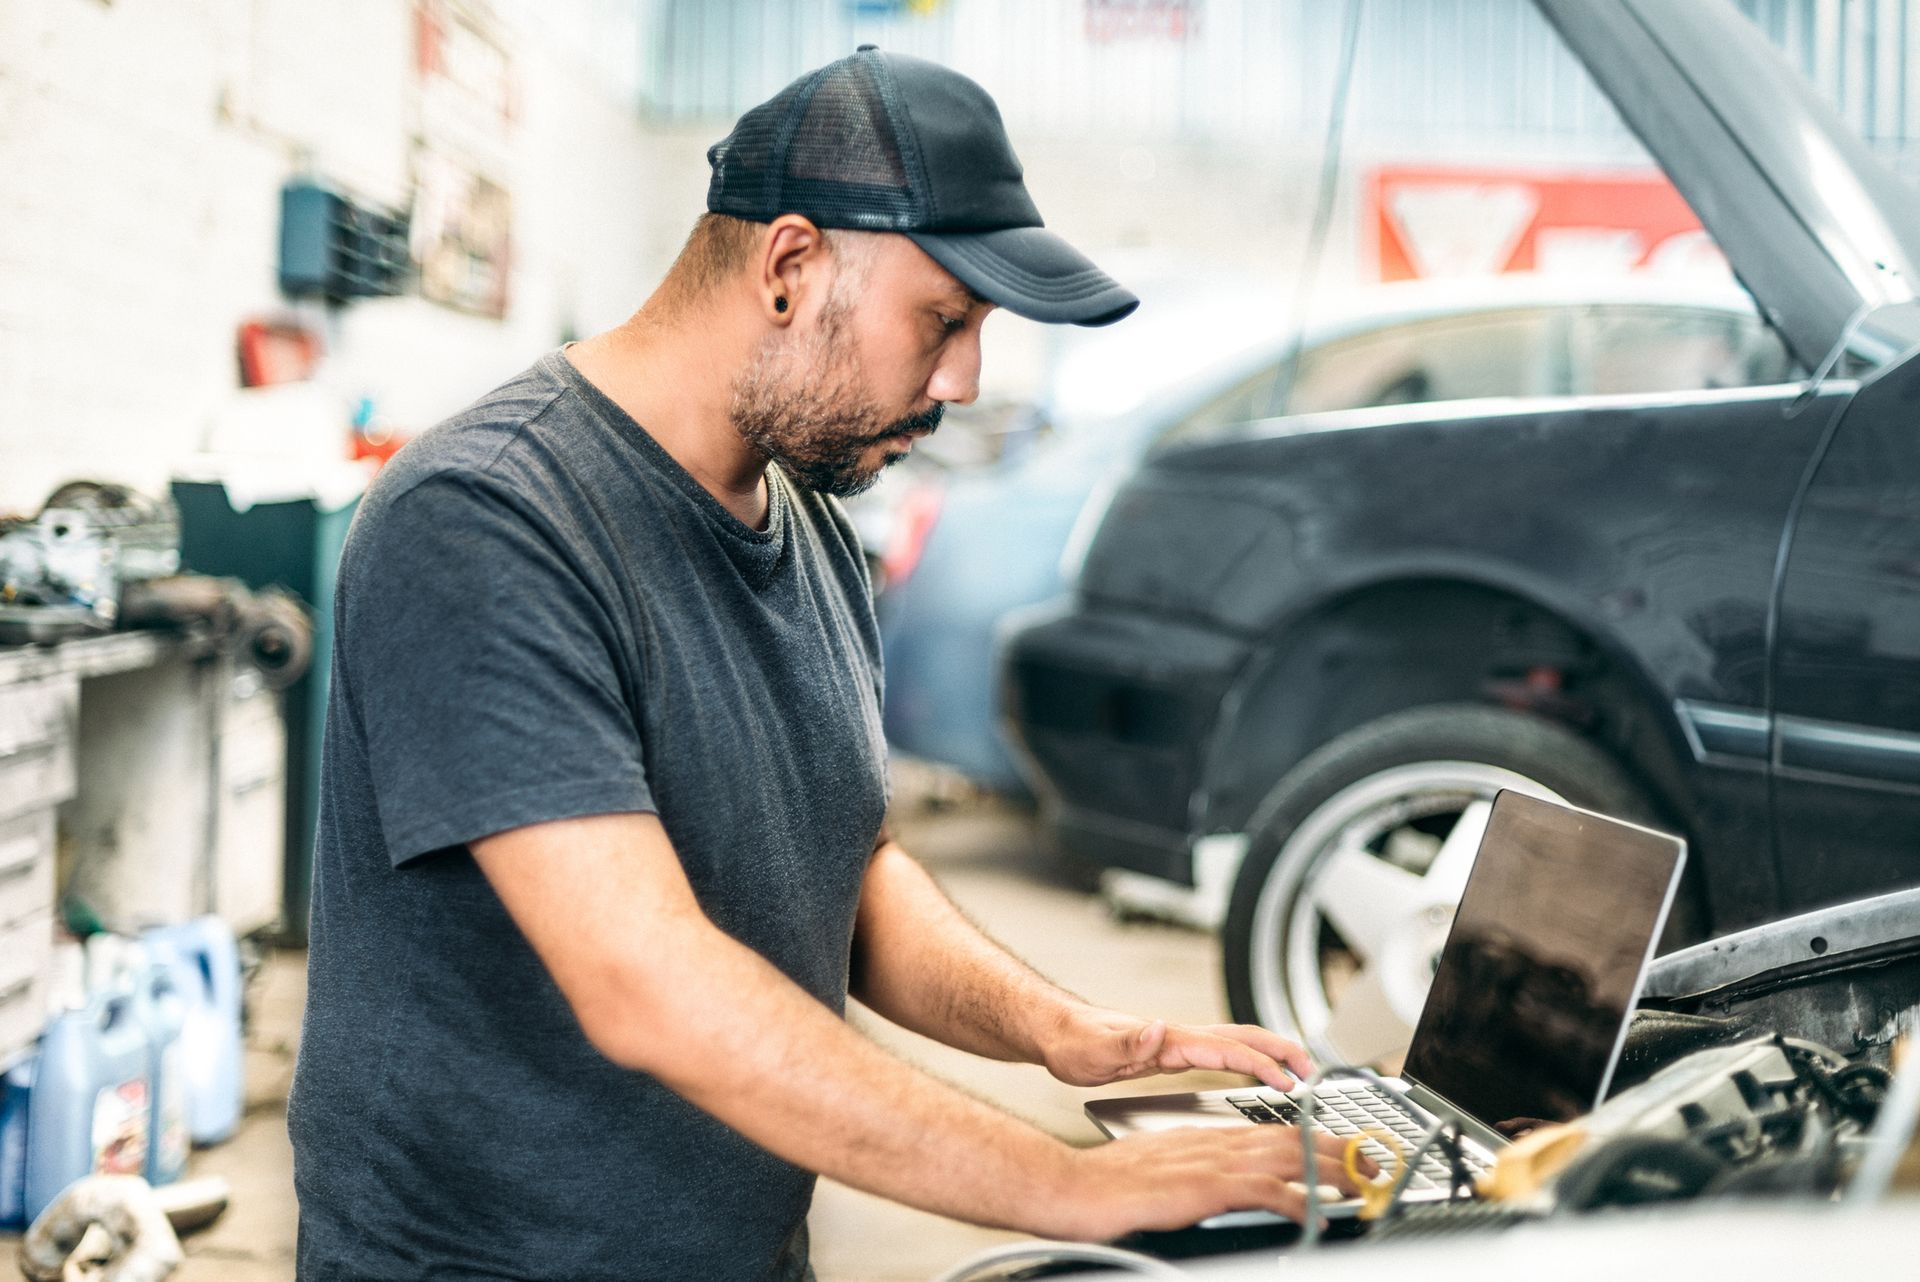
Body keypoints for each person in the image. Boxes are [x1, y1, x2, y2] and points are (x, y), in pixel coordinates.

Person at [288, 45, 1366, 1282]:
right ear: (790, 266)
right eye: (944, 320)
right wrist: (1069, 1184)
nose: (963, 379)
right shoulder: (486, 518)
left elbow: (844, 867)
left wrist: (1063, 1030)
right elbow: (645, 981)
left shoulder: (809, 526)